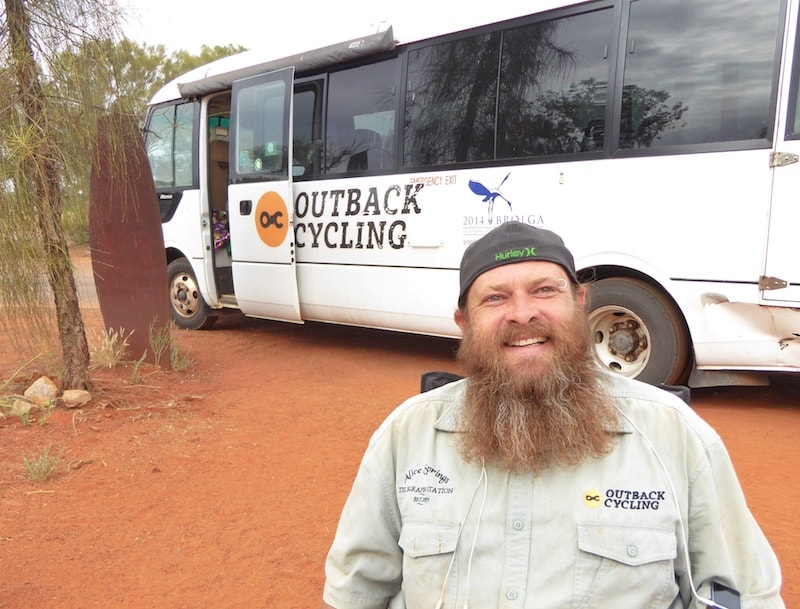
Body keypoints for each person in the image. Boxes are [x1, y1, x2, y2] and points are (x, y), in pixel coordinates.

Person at [320, 221, 785, 609]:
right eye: (495, 298)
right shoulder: (407, 435)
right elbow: (355, 592)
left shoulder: (675, 436)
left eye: (545, 290)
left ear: (580, 305)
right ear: (464, 324)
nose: (523, 314)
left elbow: (742, 593)